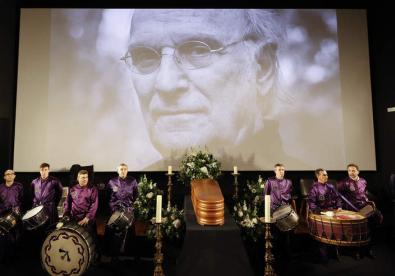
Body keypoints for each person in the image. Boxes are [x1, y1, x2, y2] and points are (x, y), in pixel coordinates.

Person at [122, 9, 312, 170]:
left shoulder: (303, 195)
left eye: (199, 50)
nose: (166, 83)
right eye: (145, 56)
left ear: (262, 68)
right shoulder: (131, 197)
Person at [338, 163, 376, 260]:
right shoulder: (344, 182)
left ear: (358, 171)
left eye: (353, 170)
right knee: (355, 231)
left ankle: (368, 250)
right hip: (352, 209)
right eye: (349, 170)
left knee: (368, 229)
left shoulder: (363, 181)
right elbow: (338, 195)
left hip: (365, 208)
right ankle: (356, 252)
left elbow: (364, 194)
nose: (351, 172)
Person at [307, 168, 342, 267]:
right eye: (324, 175)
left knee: (335, 234)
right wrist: (320, 212)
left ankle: (335, 254)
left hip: (331, 213)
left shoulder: (330, 186)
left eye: (327, 175)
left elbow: (336, 199)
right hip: (320, 214)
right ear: (318, 176)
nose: (327, 176)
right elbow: (310, 202)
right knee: (324, 236)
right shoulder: (313, 187)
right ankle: (324, 257)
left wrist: (339, 206)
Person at [106, 164, 139, 262]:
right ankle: (114, 255)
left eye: (125, 169)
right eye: (121, 169)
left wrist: (130, 207)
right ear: (117, 171)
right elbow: (107, 195)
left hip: (128, 210)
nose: (123, 171)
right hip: (115, 211)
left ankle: (132, 254)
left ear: (127, 170)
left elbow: (136, 195)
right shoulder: (112, 182)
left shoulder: (132, 181)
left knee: (130, 232)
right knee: (115, 233)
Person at [0, 170, 23, 266]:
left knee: (14, 237)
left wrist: (16, 211)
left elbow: (21, 199)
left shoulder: (19, 186)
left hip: (14, 214)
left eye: (12, 174)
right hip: (1, 213)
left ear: (14, 176)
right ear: (4, 177)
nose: (10, 176)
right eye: (7, 174)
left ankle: (13, 260)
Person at [264, 163, 294, 259]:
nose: (281, 171)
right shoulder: (270, 181)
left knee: (286, 233)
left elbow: (290, 195)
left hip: (285, 211)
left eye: (283, 170)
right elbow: (266, 195)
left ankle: (287, 254)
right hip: (274, 210)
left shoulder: (288, 182)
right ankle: (275, 254)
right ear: (275, 171)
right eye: (279, 169)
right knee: (275, 233)